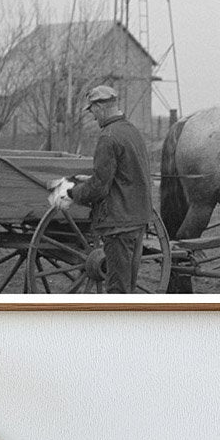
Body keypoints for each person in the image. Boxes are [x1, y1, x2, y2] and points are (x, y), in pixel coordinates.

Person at [49, 85, 152, 293]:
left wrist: (70, 193)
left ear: (100, 107)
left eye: (92, 111)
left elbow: (98, 189)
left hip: (118, 224)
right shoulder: (131, 131)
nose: (93, 117)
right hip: (137, 219)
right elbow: (126, 174)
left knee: (117, 290)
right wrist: (89, 178)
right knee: (128, 287)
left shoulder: (108, 137)